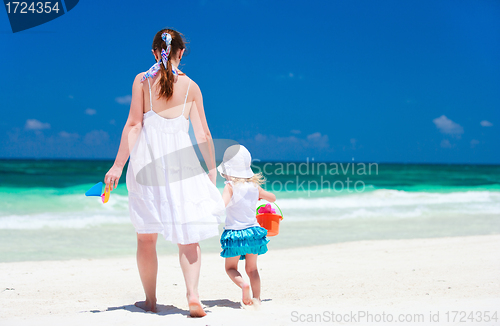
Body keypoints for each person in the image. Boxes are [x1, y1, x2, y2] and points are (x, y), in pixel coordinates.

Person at [104, 28, 225, 317]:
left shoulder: (143, 81)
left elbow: (134, 125)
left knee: (146, 237)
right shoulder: (192, 87)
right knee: (188, 235)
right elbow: (204, 135)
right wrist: (211, 170)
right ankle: (193, 295)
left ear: (154, 53)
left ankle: (150, 301)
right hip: (182, 166)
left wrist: (117, 165)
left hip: (146, 165)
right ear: (181, 53)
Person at [217, 145, 276, 307]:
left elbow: (222, 205)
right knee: (252, 269)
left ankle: (244, 285)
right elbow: (272, 198)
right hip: (253, 233)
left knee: (230, 268)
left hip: (235, 235)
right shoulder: (254, 187)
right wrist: (259, 198)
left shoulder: (229, 187)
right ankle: (257, 298)